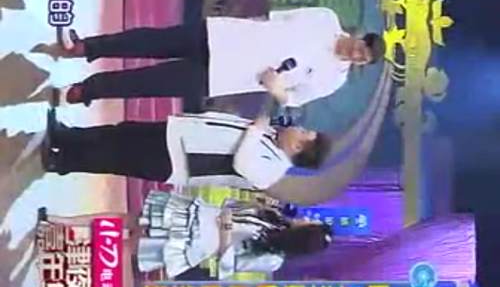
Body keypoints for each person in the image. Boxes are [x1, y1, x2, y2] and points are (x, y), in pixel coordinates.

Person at [35, 8, 386, 110]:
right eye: (361, 49)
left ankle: (85, 91)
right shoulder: (326, 18)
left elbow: (293, 100)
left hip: (225, 75)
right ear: (360, 37)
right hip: (222, 34)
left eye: (362, 60)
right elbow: (277, 16)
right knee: (147, 39)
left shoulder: (333, 79)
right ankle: (87, 47)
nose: (356, 56)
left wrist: (277, 88)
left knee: (145, 83)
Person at [36, 198, 333, 279]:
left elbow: (227, 267)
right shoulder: (275, 216)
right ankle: (60, 221)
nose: (307, 217)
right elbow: (230, 204)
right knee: (126, 219)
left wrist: (226, 235)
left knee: (125, 247)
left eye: (312, 222)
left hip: (195, 243)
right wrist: (257, 205)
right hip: (192, 215)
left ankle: (60, 254)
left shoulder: (273, 259)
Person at [40, 108, 332, 190]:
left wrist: (254, 132)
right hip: (179, 132)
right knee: (121, 132)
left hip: (178, 160)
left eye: (303, 132)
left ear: (298, 146)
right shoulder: (271, 133)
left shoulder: (272, 172)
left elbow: (242, 165)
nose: (299, 127)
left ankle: (64, 162)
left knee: (116, 158)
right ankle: (67, 136)